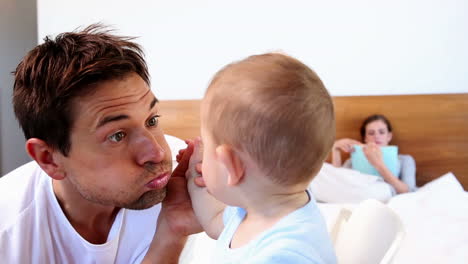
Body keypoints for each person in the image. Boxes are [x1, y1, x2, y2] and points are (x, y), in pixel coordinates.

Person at [0, 24, 201, 263]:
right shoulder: (9, 232)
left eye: (152, 120)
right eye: (117, 135)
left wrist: (172, 232)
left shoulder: (183, 182)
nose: (157, 153)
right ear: (48, 158)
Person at [182, 53, 337, 263]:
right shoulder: (260, 208)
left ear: (232, 167)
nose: (203, 156)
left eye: (207, 147)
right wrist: (194, 177)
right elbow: (213, 221)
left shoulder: (283, 255)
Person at [331, 114, 416, 194]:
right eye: (371, 133)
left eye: (381, 132)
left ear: (389, 136)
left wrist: (379, 165)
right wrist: (335, 150)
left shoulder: (405, 160)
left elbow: (408, 191)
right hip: (361, 197)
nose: (376, 136)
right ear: (365, 138)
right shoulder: (352, 161)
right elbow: (337, 184)